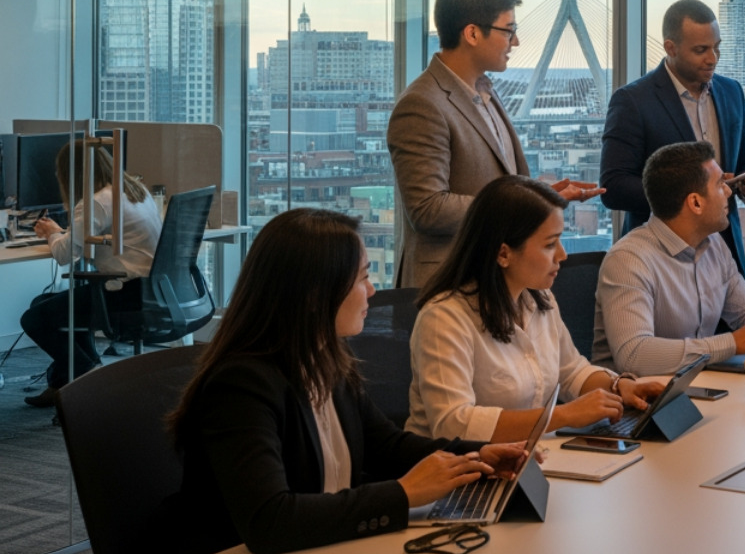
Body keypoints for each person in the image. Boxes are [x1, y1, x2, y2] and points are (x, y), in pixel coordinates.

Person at [163, 208, 532, 554]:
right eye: (363, 278)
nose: (372, 291)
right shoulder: (242, 386)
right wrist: (403, 493)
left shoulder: (326, 360)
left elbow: (385, 446)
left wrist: (474, 455)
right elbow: (269, 521)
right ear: (313, 296)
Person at [407, 176, 665, 441]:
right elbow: (453, 425)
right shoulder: (444, 318)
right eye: (549, 244)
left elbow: (571, 371)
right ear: (503, 254)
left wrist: (619, 386)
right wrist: (561, 417)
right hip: (460, 472)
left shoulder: (538, 297)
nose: (562, 255)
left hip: (528, 459)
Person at [389, 0, 598, 286]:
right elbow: (428, 209)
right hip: (451, 285)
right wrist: (516, 205)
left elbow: (500, 186)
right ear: (472, 33)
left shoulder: (486, 91)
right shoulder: (422, 104)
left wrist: (539, 197)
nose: (516, 42)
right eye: (509, 30)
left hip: (493, 282)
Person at [593, 141, 745, 375]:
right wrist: (732, 344)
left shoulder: (714, 243)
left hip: (696, 389)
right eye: (720, 185)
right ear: (695, 202)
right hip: (633, 405)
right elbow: (634, 355)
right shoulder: (629, 260)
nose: (729, 191)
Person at [600, 0, 745, 275]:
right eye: (701, 50)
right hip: (658, 259)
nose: (712, 58)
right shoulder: (633, 101)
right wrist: (689, 197)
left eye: (716, 48)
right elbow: (613, 187)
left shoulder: (732, 91)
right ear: (670, 48)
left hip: (726, 252)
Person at [20, 139, 163, 407]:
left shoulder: (96, 202)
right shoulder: (135, 190)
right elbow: (84, 243)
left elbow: (65, 255)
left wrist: (52, 233)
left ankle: (89, 372)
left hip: (123, 293)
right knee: (44, 304)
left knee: (34, 319)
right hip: (149, 288)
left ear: (71, 174)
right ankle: (63, 384)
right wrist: (63, 234)